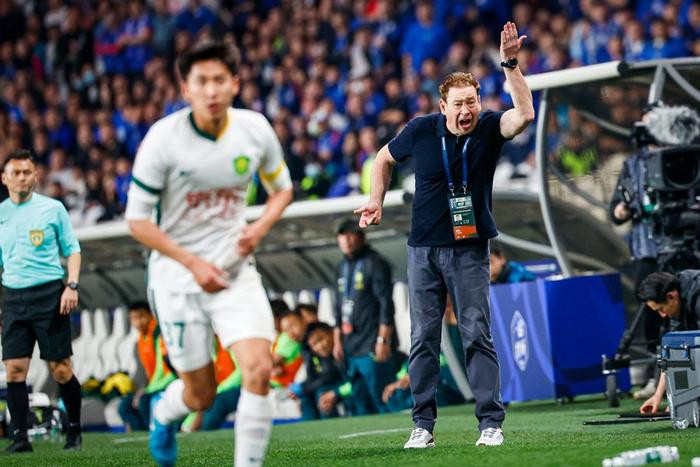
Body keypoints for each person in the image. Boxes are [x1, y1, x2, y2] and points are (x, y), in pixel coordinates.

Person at [355, 22, 535, 448]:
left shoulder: (489, 127)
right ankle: (422, 425)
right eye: (459, 104)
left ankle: (490, 424)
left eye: (472, 101)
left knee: (476, 333)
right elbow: (382, 159)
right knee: (423, 338)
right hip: (423, 250)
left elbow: (525, 114)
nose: (467, 110)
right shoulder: (420, 130)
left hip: (470, 250)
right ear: (443, 107)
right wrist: (376, 199)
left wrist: (510, 65)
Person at [125, 40, 293, 467]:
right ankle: (164, 413)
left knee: (258, 368)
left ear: (235, 83)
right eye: (201, 81)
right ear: (186, 89)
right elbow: (137, 221)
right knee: (201, 395)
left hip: (235, 271)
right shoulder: (163, 140)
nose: (211, 90)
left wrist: (258, 228)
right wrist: (193, 263)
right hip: (177, 279)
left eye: (220, 80)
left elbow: (282, 189)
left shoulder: (254, 129)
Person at [0, 149, 84, 452]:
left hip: (50, 295)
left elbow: (72, 250)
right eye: (16, 172)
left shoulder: (53, 208)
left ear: (35, 176)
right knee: (14, 370)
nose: (22, 177)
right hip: (13, 297)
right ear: (5, 178)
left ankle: (74, 429)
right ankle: (20, 438)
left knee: (60, 369)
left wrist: (71, 286)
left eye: (27, 172)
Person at [609, 107, 662, 399]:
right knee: (651, 316)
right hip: (646, 251)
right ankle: (655, 376)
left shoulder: (685, 155)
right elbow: (616, 208)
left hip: (683, 246)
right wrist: (621, 209)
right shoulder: (632, 164)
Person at [332, 218, 397, 415]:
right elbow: (338, 307)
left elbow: (386, 304)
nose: (346, 240)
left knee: (383, 399)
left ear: (362, 237)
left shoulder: (375, 263)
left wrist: (383, 340)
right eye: (342, 236)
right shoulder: (340, 267)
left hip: (372, 343)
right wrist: (337, 341)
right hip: (350, 345)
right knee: (359, 402)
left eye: (351, 235)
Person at [637, 271, 700, 414]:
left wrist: (684, 398)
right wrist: (658, 395)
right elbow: (671, 352)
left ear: (672, 296)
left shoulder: (697, 294)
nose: (662, 315)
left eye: (661, 309)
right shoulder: (676, 301)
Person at [118, 301, 176, 432]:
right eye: (134, 318)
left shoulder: (159, 334)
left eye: (141, 317)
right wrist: (142, 390)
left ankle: (152, 433)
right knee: (124, 406)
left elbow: (165, 370)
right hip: (155, 384)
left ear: (151, 315)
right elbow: (147, 373)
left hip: (169, 380)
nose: (138, 322)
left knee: (144, 401)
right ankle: (140, 435)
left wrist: (147, 391)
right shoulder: (140, 341)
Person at [289, 322, 352, 420]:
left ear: (331, 333)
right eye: (314, 344)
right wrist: (300, 389)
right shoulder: (316, 358)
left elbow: (355, 384)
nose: (320, 346)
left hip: (353, 395)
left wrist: (335, 393)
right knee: (306, 398)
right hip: (336, 391)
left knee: (323, 395)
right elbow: (315, 380)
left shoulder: (347, 351)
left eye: (321, 339)